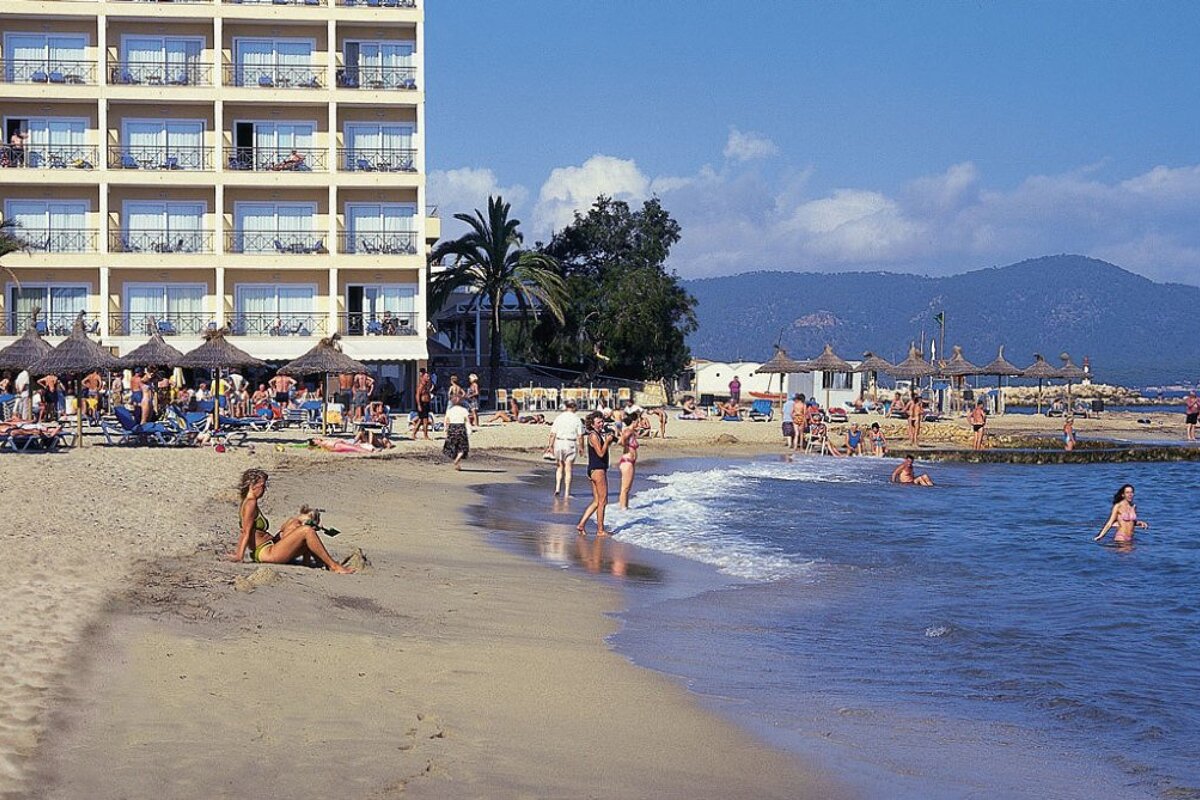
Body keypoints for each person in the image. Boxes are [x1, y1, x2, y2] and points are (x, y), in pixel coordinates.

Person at [226, 469, 353, 573]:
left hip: (270, 546)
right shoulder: (250, 504)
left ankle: (309, 562)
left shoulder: (250, 502)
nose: (264, 490)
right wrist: (239, 555)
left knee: (294, 523)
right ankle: (333, 566)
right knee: (306, 531)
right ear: (252, 486)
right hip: (266, 553)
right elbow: (245, 532)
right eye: (262, 486)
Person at [576, 412, 615, 536]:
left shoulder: (597, 434)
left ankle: (581, 525)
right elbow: (600, 453)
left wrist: (609, 439)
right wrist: (607, 442)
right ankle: (600, 530)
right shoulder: (593, 436)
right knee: (603, 501)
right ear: (592, 424)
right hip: (597, 470)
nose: (601, 424)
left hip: (594, 469)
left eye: (602, 421)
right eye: (598, 422)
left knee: (597, 501)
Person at [547, 399, 585, 497]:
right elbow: (580, 436)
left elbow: (552, 434)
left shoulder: (559, 418)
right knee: (568, 468)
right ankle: (567, 492)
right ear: (574, 407)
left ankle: (558, 487)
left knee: (559, 466)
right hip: (570, 443)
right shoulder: (577, 419)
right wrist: (581, 447)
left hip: (559, 442)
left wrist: (550, 446)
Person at [616, 411, 641, 509]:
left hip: (629, 461)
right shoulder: (628, 431)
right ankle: (623, 508)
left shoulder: (631, 432)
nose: (638, 424)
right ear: (633, 422)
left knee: (627, 488)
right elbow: (621, 441)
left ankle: (624, 507)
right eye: (637, 422)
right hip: (627, 461)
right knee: (625, 488)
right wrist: (624, 444)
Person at [442, 397, 470, 470]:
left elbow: (446, 420)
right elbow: (467, 420)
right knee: (463, 447)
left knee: (453, 446)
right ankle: (457, 459)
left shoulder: (450, 410)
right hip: (461, 427)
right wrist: (469, 429)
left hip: (452, 427)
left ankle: (457, 463)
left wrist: (445, 429)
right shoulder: (464, 410)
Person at [414, 367, 433, 439]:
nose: (428, 378)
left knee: (420, 420)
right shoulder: (421, 385)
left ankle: (414, 433)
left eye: (428, 377)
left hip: (426, 403)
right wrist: (419, 405)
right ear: (423, 377)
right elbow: (417, 395)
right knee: (425, 420)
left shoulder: (426, 385)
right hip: (422, 404)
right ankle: (425, 435)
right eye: (427, 377)